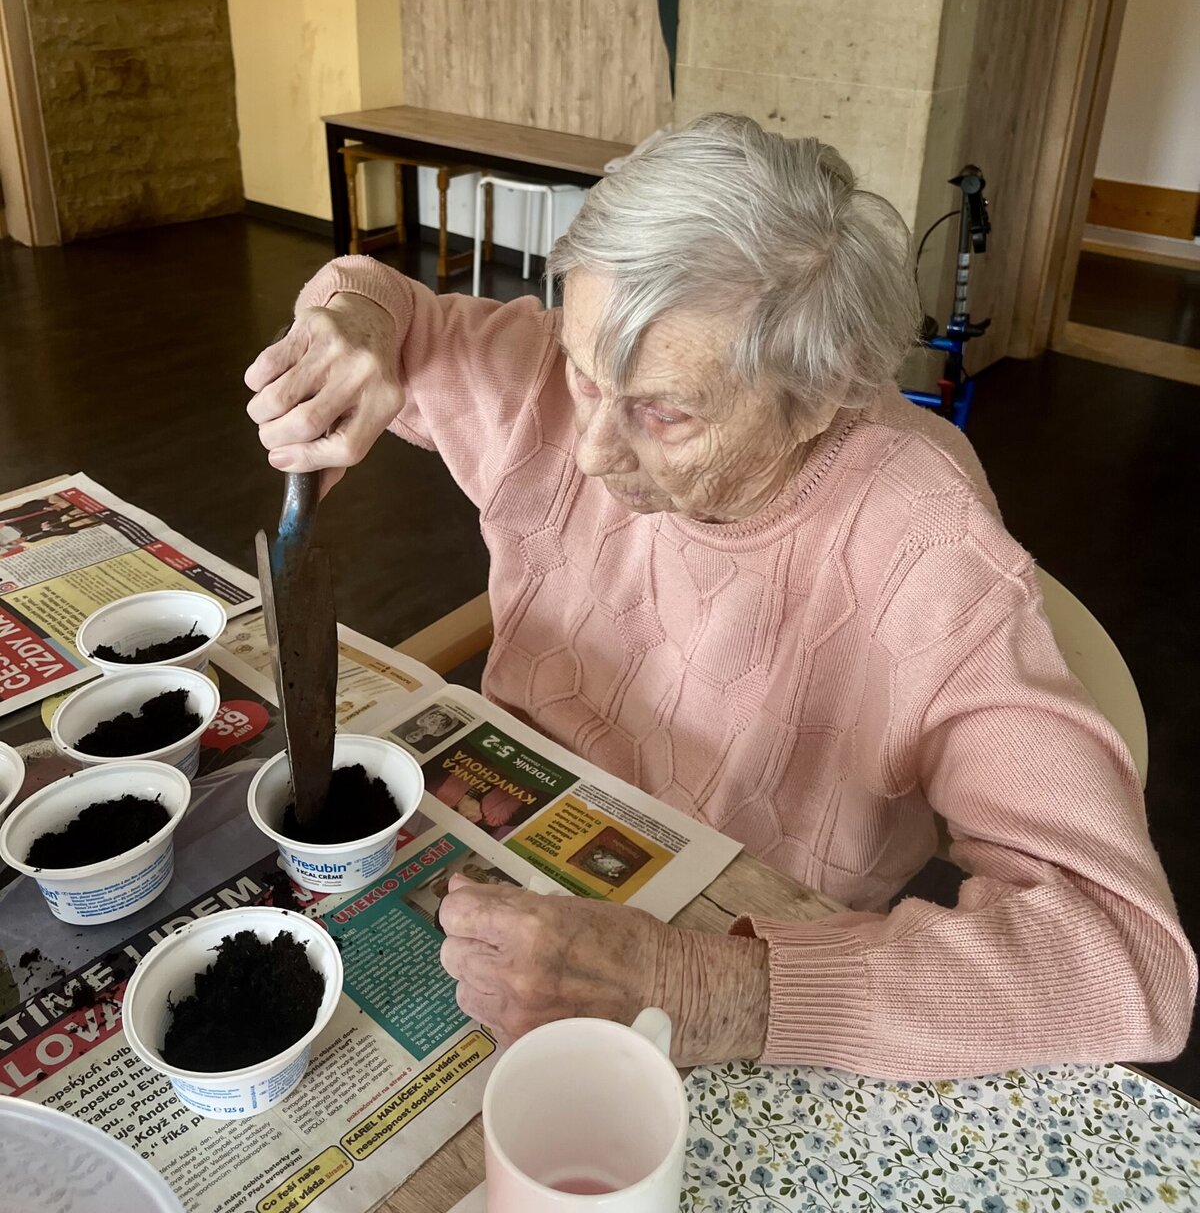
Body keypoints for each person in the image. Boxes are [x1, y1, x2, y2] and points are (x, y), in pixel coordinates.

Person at [246, 114, 1195, 1078]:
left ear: (821, 396)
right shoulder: (555, 379)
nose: (591, 452)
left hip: (739, 971)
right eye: (584, 374)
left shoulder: (927, 546)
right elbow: (385, 303)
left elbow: (1124, 961)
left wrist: (708, 991)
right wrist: (354, 321)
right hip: (507, 867)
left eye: (664, 413)